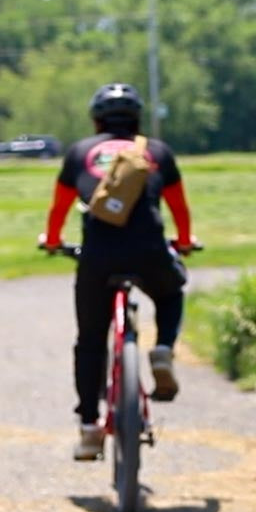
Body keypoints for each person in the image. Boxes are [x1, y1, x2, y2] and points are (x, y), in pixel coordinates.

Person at [41, 82, 199, 461]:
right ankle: (162, 349)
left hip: (98, 256)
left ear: (96, 121)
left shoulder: (79, 152)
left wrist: (51, 241)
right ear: (137, 119)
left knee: (91, 341)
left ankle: (89, 428)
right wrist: (185, 240)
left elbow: (59, 209)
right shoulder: (157, 151)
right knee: (170, 292)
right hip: (148, 250)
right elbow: (179, 208)